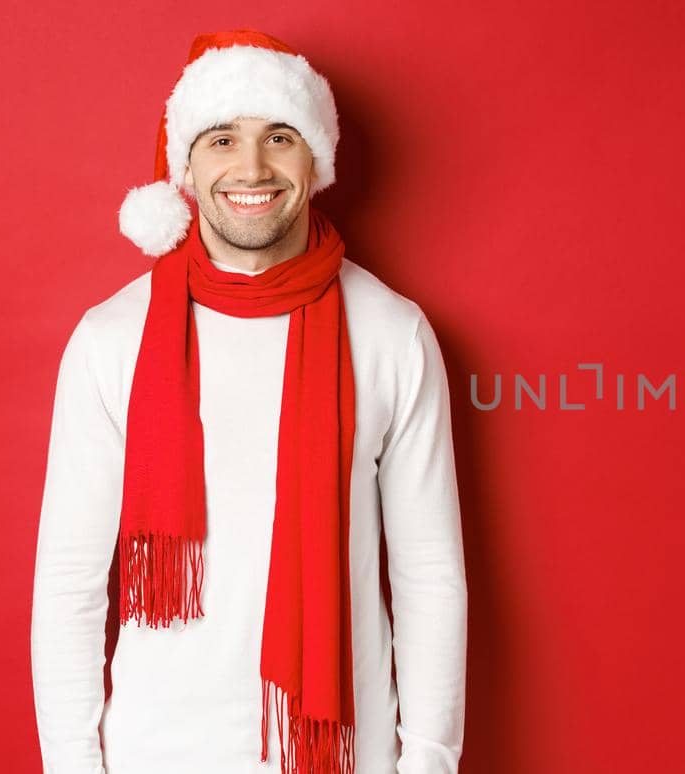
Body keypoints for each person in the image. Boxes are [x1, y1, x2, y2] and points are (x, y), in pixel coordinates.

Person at [29, 29, 467, 774]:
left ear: (317, 159)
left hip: (342, 757)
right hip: (155, 756)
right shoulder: (111, 339)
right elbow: (69, 586)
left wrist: (426, 765)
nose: (252, 167)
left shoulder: (393, 332)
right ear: (188, 167)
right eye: (222, 138)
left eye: (280, 136)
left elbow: (429, 575)